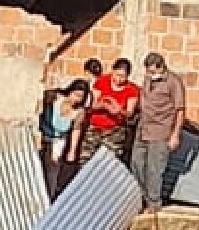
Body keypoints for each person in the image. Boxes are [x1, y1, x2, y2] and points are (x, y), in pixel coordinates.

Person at [135, 51, 189, 212]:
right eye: (148, 72)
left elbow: (180, 110)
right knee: (137, 164)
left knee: (154, 169)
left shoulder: (173, 82)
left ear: (161, 68)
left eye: (152, 72)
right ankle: (142, 199)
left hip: (161, 131)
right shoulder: (147, 79)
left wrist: (175, 135)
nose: (150, 75)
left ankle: (154, 204)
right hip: (143, 128)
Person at [80, 57, 141, 163]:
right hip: (95, 128)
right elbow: (91, 104)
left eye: (123, 77)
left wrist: (119, 110)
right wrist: (104, 105)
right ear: (113, 70)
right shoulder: (102, 81)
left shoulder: (132, 90)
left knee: (108, 162)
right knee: (86, 160)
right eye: (117, 75)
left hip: (114, 131)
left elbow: (129, 113)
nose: (119, 79)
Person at [41, 79, 90, 196]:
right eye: (76, 95)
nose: (77, 99)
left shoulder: (79, 111)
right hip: (43, 134)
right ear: (70, 91)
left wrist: (72, 150)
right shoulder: (54, 99)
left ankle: (49, 197)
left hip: (58, 140)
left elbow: (76, 130)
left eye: (81, 97)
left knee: (52, 169)